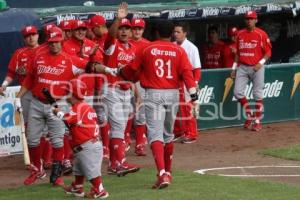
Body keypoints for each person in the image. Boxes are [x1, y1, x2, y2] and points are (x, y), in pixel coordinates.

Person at [15, 26, 114, 186]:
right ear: (48, 42)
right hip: (36, 101)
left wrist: (109, 69)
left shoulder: (70, 60)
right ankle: (37, 170)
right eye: (51, 42)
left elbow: (92, 66)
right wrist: (18, 97)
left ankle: (56, 173)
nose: (54, 45)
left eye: (57, 42)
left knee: (57, 140)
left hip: (58, 103)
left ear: (62, 41)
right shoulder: (38, 56)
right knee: (32, 140)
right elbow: (29, 79)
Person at [119, 20, 198, 189]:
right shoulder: (179, 50)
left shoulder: (146, 48)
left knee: (155, 135)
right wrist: (194, 96)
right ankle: (167, 172)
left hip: (154, 93)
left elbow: (132, 69)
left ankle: (162, 174)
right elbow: (187, 74)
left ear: (155, 33)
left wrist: (121, 72)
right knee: (168, 135)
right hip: (173, 94)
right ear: (171, 33)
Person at [52, 79, 109, 199]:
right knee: (79, 169)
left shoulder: (79, 107)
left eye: (68, 92)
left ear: (74, 94)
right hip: (87, 146)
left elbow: (67, 119)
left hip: (88, 147)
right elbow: (73, 124)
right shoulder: (83, 107)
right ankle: (77, 188)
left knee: (91, 173)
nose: (66, 94)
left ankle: (100, 190)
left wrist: (57, 112)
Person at [101, 2, 139, 176]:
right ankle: (121, 162)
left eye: (127, 28)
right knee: (117, 126)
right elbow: (110, 34)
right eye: (121, 28)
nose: (124, 31)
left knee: (120, 128)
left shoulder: (133, 49)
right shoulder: (112, 45)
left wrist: (137, 93)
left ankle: (113, 164)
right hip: (111, 89)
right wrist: (119, 18)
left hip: (126, 91)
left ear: (131, 32)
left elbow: (134, 74)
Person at [231, 10, 272, 131]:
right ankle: (250, 115)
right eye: (247, 19)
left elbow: (268, 52)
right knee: (237, 92)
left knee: (257, 94)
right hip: (242, 67)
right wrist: (234, 68)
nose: (249, 21)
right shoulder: (240, 34)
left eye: (251, 19)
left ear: (256, 20)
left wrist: (261, 63)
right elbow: (237, 53)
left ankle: (257, 121)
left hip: (256, 67)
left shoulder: (261, 34)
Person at [173, 22, 202, 144]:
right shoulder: (172, 45)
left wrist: (195, 83)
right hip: (175, 82)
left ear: (185, 33)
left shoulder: (192, 47)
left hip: (187, 82)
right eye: (174, 32)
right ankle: (180, 132)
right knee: (176, 108)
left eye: (178, 32)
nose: (175, 34)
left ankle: (191, 134)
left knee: (188, 108)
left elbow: (197, 68)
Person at [129, 18, 150, 156]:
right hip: (125, 81)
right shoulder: (125, 42)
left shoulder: (148, 45)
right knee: (125, 113)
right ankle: (124, 140)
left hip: (140, 82)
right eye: (135, 28)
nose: (137, 31)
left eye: (139, 28)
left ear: (143, 30)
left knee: (140, 115)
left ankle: (139, 144)